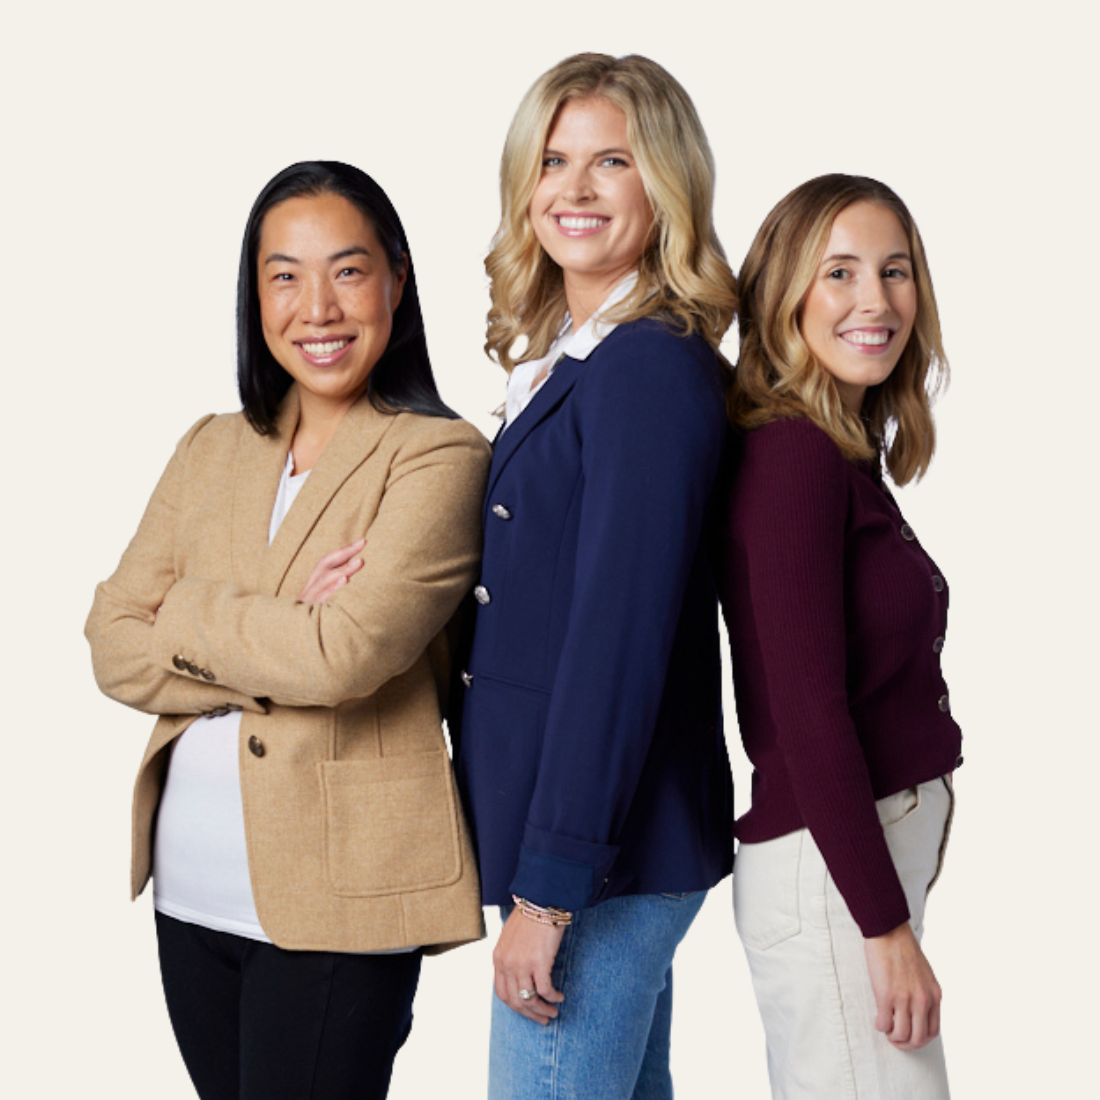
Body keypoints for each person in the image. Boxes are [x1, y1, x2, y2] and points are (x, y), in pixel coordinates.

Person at [85, 161, 490, 1100]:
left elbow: (343, 654)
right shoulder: (212, 446)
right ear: (254, 294)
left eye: (348, 271)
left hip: (344, 896)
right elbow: (110, 638)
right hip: (190, 892)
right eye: (284, 275)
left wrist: (187, 612)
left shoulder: (438, 455)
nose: (318, 306)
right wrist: (282, 624)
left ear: (397, 279)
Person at [454, 53, 737, 1099]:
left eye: (608, 161)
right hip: (596, 846)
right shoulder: (584, 357)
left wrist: (549, 890)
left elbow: (616, 642)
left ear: (662, 183)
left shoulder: (646, 370)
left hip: (600, 856)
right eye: (553, 160)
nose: (570, 189)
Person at [719, 174, 963, 1099]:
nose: (877, 301)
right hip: (834, 884)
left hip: (846, 879)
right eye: (841, 273)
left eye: (896, 272)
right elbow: (806, 715)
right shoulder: (794, 459)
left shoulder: (836, 451)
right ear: (786, 297)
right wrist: (883, 926)